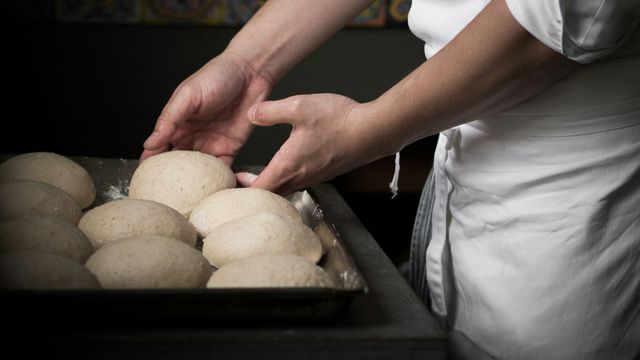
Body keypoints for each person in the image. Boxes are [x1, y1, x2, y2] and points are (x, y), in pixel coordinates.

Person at [141, 0, 640, 358]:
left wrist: (364, 131)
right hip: (459, 151)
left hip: (573, 188)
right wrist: (247, 63)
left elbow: (555, 20)